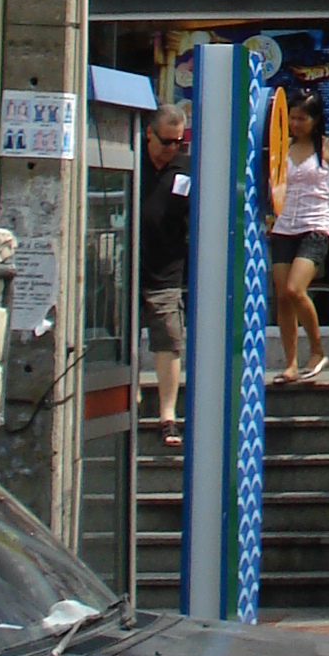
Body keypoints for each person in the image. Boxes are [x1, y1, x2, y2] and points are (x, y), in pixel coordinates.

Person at [270, 86, 329, 383]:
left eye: (302, 119)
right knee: (282, 295)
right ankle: (290, 361)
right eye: (292, 118)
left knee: (296, 288)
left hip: (315, 224)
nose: (296, 124)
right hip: (283, 224)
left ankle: (317, 349)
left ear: (316, 119)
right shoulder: (282, 147)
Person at [137, 103, 192, 450]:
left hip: (167, 266)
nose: (172, 149)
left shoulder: (184, 168)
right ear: (148, 135)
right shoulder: (132, 162)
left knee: (169, 338)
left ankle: (167, 415)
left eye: (178, 142)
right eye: (167, 142)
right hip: (129, 264)